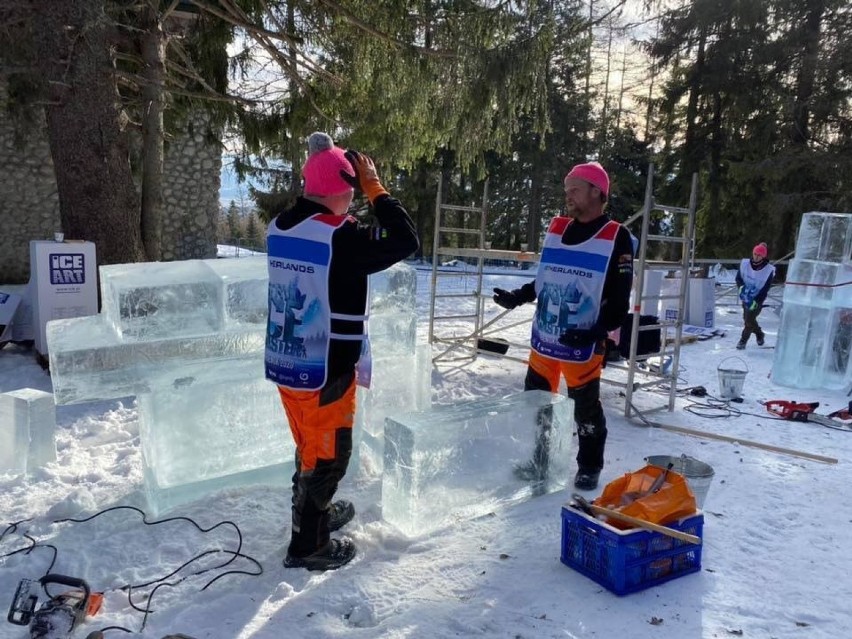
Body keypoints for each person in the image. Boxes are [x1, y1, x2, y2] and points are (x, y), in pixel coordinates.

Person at [266, 132, 418, 571]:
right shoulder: (339, 235)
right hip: (327, 367)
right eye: (352, 191)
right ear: (342, 188)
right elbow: (405, 240)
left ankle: (313, 515)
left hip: (289, 360)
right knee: (330, 455)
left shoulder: (281, 226)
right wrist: (377, 188)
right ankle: (308, 545)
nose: (354, 201)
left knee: (308, 445)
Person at [492, 161, 634, 491]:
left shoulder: (616, 237)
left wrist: (598, 331)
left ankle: (589, 465)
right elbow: (547, 278)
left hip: (582, 344)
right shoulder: (557, 229)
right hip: (545, 340)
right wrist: (519, 296)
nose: (567, 194)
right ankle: (539, 460)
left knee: (585, 411)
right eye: (566, 188)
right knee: (537, 407)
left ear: (597, 192)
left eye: (575, 188)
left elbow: (619, 298)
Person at [735, 242, 774, 350]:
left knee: (749, 320)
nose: (756, 257)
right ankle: (759, 334)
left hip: (757, 298)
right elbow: (738, 278)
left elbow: (765, 288)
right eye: (755, 254)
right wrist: (742, 288)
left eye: (759, 255)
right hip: (745, 296)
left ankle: (743, 341)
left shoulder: (768, 270)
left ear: (763, 256)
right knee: (748, 319)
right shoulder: (745, 264)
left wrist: (757, 301)